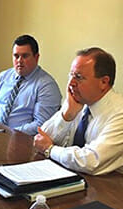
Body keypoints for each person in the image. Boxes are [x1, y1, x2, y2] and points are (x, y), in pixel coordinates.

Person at [34, 47, 123, 175]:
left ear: (104, 82)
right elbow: (41, 137)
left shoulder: (119, 113)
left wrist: (50, 149)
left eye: (79, 77)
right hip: (75, 178)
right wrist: (67, 115)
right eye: (71, 75)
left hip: (111, 188)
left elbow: (91, 161)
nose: (71, 83)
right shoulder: (78, 102)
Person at [0, 35, 61, 136]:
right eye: (16, 56)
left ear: (36, 58)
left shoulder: (47, 86)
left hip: (23, 140)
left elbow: (41, 125)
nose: (19, 61)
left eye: (25, 56)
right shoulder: (3, 76)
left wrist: (8, 132)